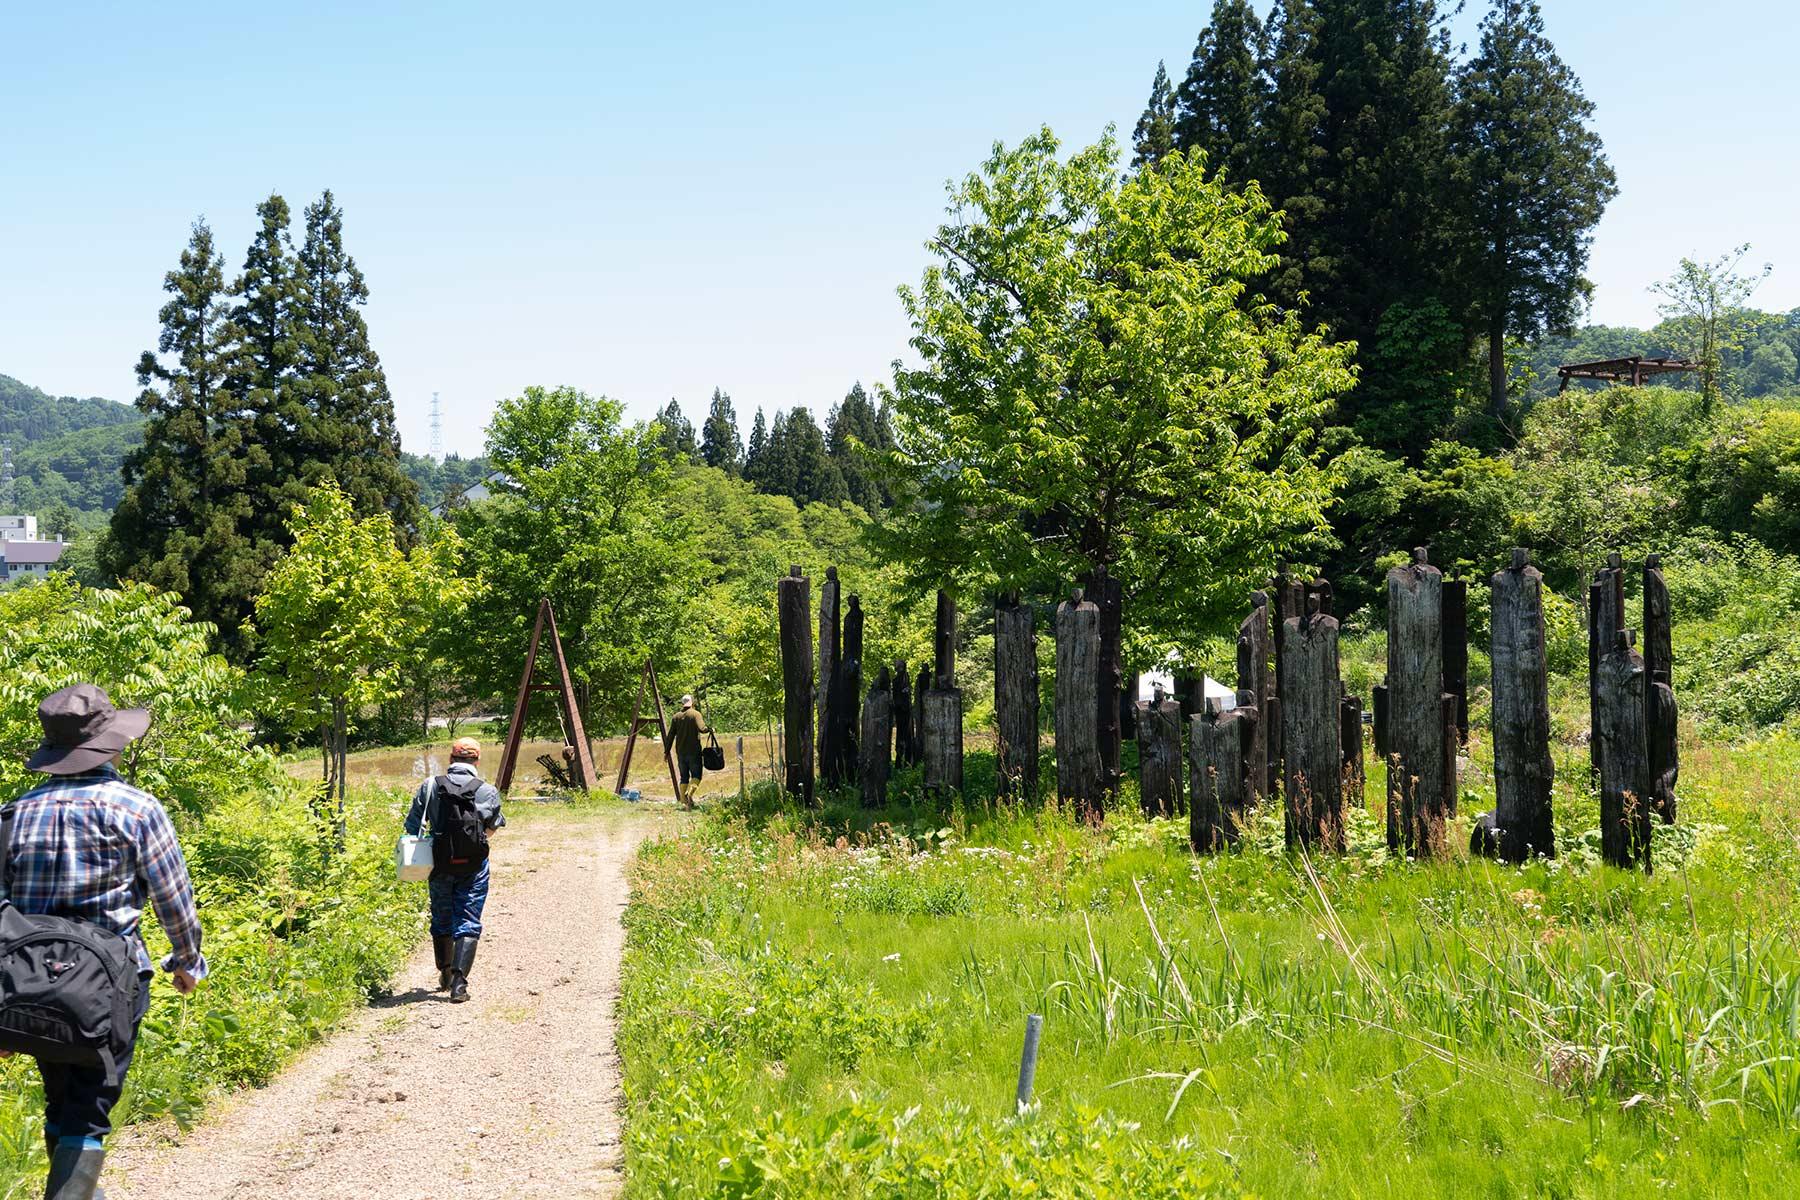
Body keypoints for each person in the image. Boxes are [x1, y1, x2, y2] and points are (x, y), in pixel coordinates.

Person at [3, 684, 205, 1200]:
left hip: (28, 983)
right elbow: (173, 897)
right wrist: (187, 962)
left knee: (60, 1101)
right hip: (109, 983)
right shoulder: (136, 809)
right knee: (89, 1110)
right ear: (110, 745)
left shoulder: (14, 813)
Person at [403, 737, 504, 1003]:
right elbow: (491, 829)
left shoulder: (429, 786)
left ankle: (445, 973)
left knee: (442, 915)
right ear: (477, 761)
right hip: (473, 866)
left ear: (451, 759)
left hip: (438, 864)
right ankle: (460, 985)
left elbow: (413, 827)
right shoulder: (487, 790)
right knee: (468, 918)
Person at [663, 694, 709, 809]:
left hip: (681, 753)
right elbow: (702, 729)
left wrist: (666, 752)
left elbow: (670, 736)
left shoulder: (676, 717)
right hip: (694, 752)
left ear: (682, 704)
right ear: (692, 703)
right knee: (696, 775)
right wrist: (710, 729)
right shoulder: (695, 714)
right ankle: (689, 793)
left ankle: (684, 802)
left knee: (684, 777)